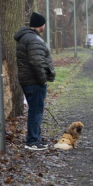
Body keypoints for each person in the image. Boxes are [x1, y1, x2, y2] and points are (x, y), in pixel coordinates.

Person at [14, 12, 55, 151]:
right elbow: (36, 62)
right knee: (36, 111)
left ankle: (36, 138)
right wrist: (43, 80)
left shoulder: (27, 37)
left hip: (28, 79)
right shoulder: (33, 40)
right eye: (44, 24)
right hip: (34, 81)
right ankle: (32, 141)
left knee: (36, 110)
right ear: (41, 25)